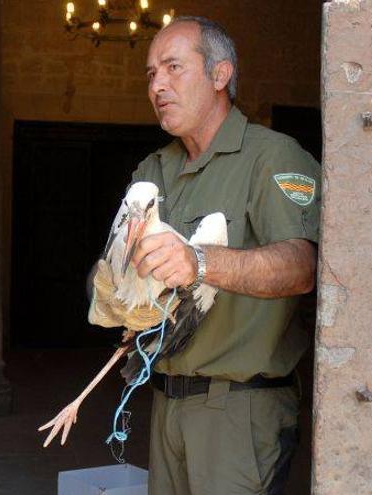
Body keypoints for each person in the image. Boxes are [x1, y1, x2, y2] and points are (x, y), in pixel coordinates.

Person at [129, 16, 320, 495]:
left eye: (173, 67)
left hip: (238, 409)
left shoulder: (273, 157)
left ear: (220, 75)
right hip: (167, 402)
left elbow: (302, 267)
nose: (158, 86)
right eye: (151, 74)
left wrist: (201, 263)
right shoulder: (154, 169)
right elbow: (119, 269)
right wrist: (112, 287)